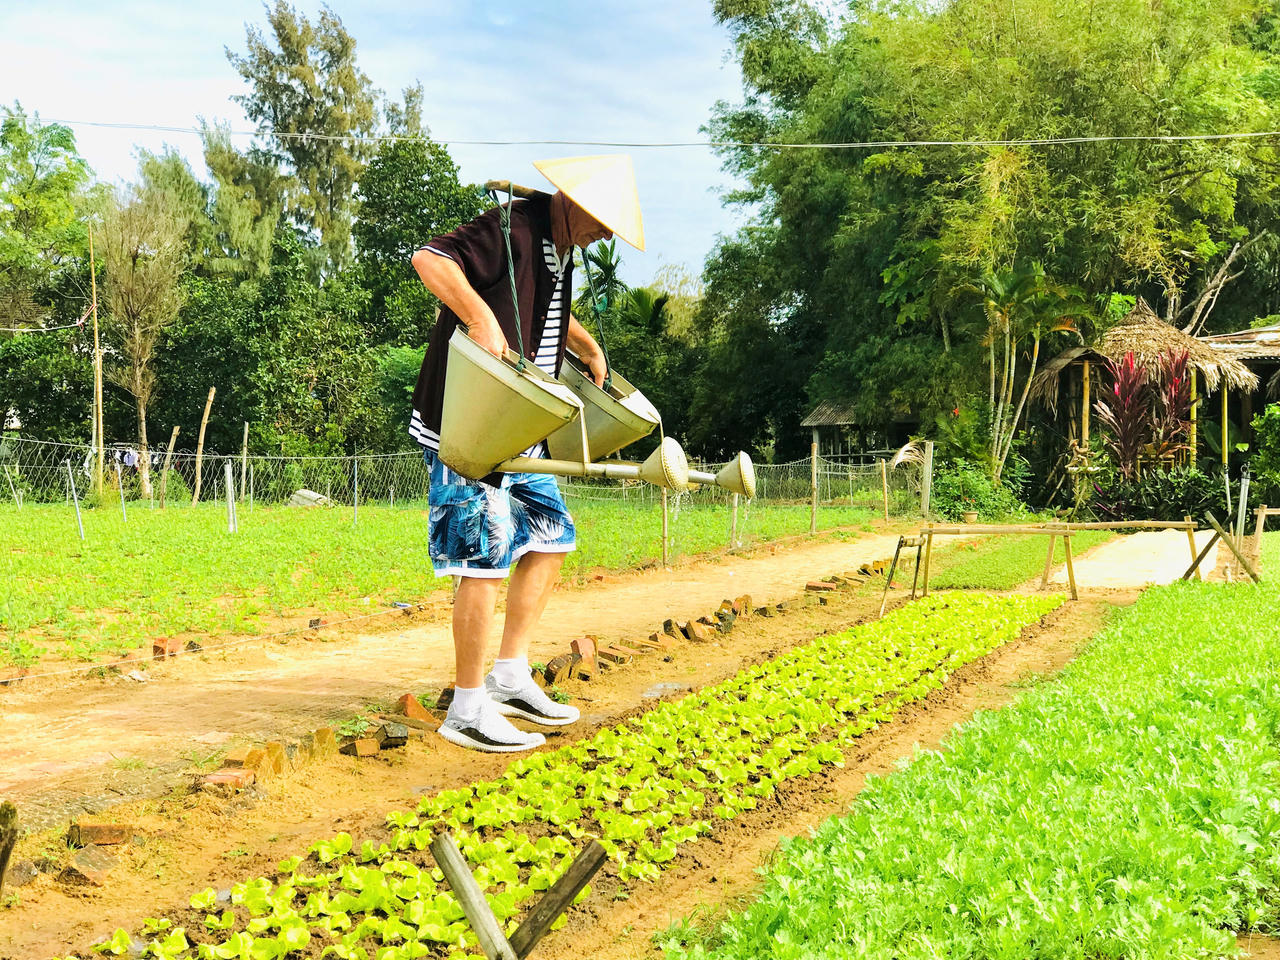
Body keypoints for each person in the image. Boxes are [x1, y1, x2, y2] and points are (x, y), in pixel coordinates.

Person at [409, 155, 645, 753]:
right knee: (483, 556)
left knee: (550, 538)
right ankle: (466, 708)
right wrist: (480, 319)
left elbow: (548, 315)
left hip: (523, 424)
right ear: (574, 203)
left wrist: (589, 348)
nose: (602, 236)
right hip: (475, 420)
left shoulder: (558, 249)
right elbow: (429, 260)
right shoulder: (514, 225)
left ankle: (509, 674)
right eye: (600, 223)